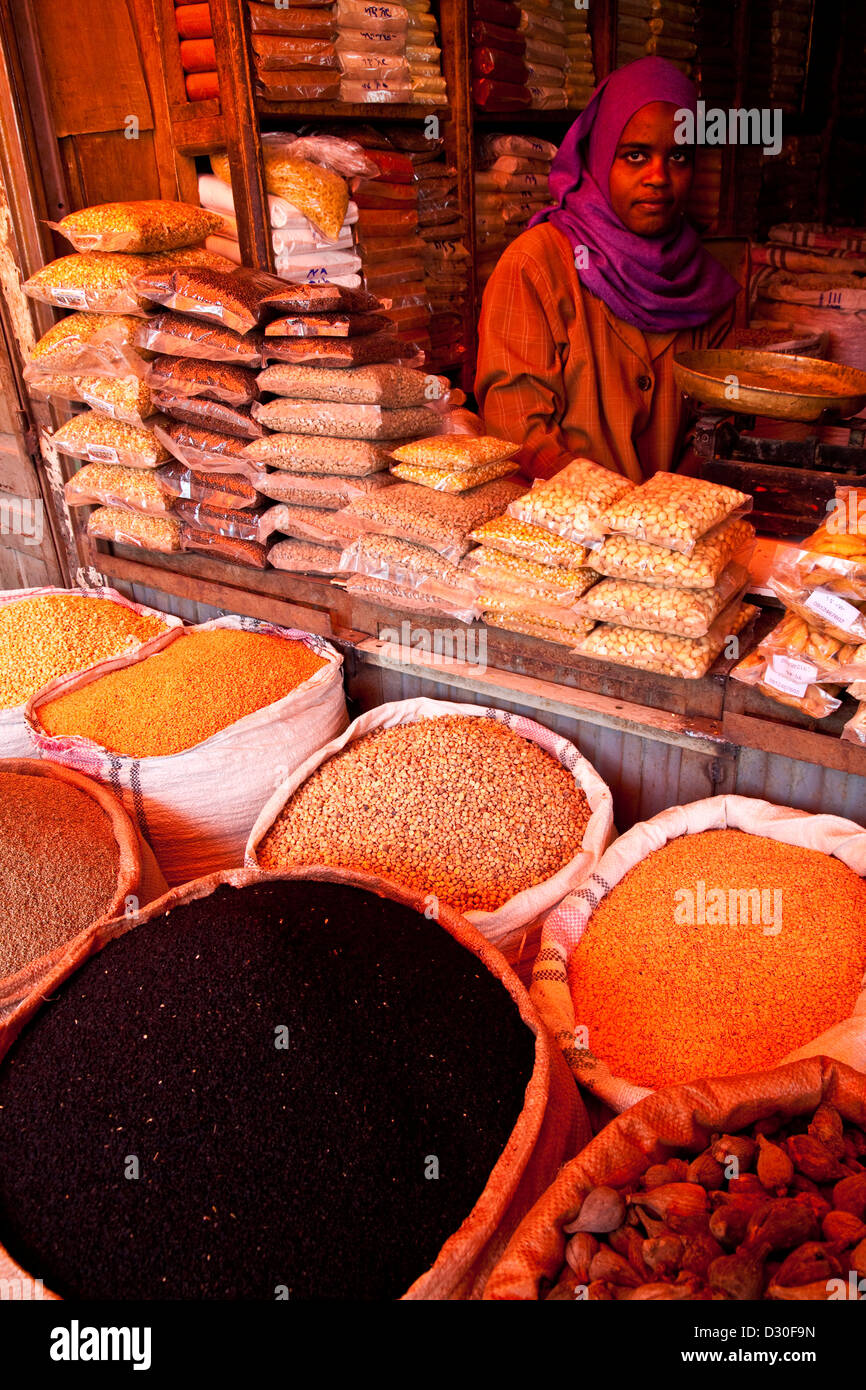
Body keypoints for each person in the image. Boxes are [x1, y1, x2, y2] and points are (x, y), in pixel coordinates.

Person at [475, 58, 741, 483]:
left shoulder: (707, 288)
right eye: (635, 155)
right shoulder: (536, 267)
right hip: (560, 531)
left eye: (678, 157)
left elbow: (715, 431)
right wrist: (618, 519)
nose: (658, 176)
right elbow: (519, 432)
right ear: (599, 158)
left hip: (671, 534)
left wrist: (666, 513)